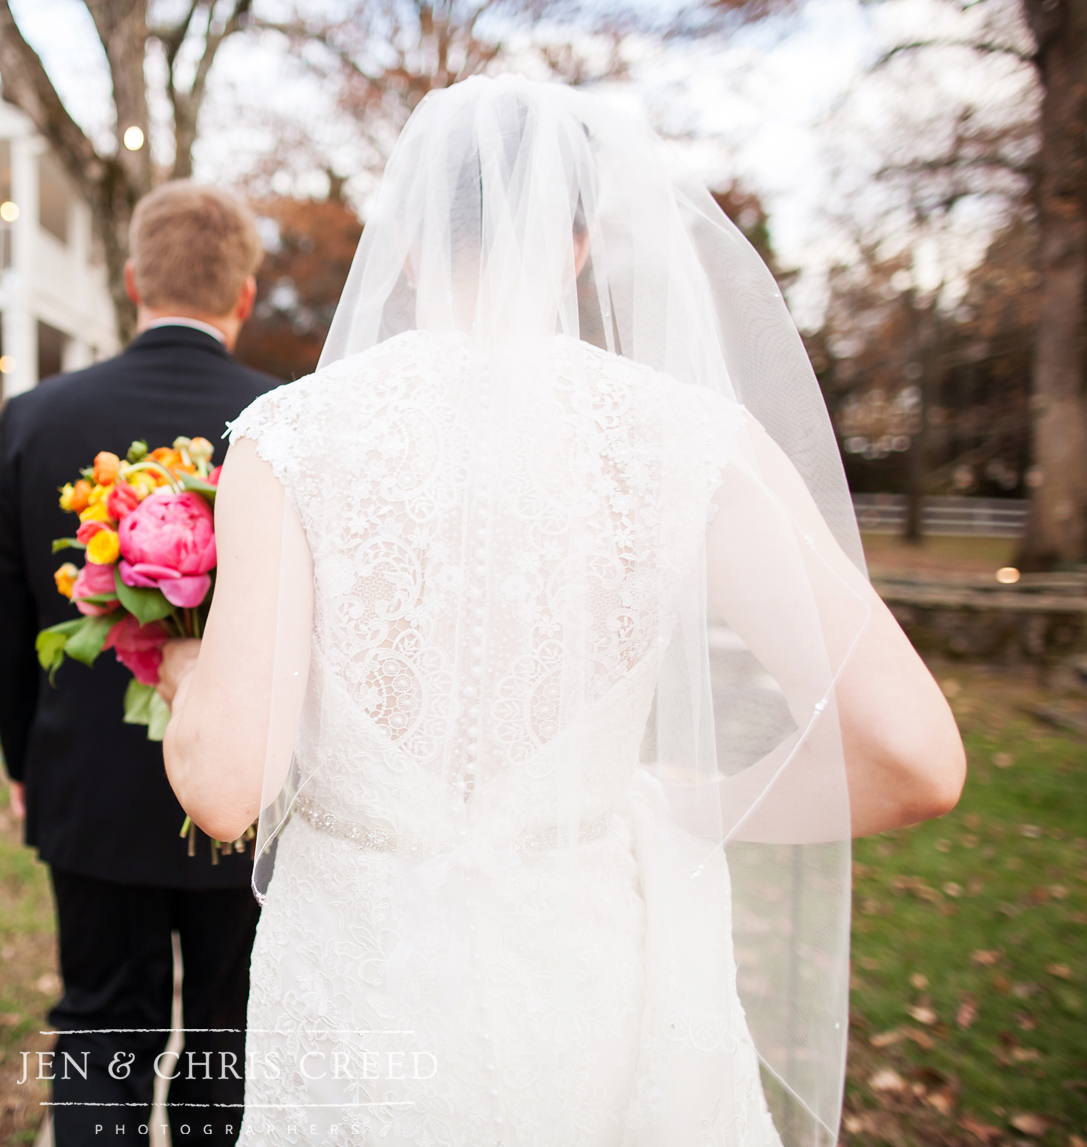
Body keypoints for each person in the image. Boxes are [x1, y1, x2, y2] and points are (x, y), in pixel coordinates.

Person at [158, 78, 965, 1145]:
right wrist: (696, 805)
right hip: (592, 970)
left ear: (400, 244)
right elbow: (917, 759)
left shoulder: (291, 435)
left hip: (359, 982)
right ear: (578, 244)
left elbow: (222, 790)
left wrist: (186, 678)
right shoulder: (689, 441)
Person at [0, 181, 281, 1147]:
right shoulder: (291, 424)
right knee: (229, 1036)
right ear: (244, 295)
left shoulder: (35, 417)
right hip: (251, 788)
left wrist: (27, 765)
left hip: (87, 787)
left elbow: (4, 612)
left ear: (130, 280)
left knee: (104, 1026)